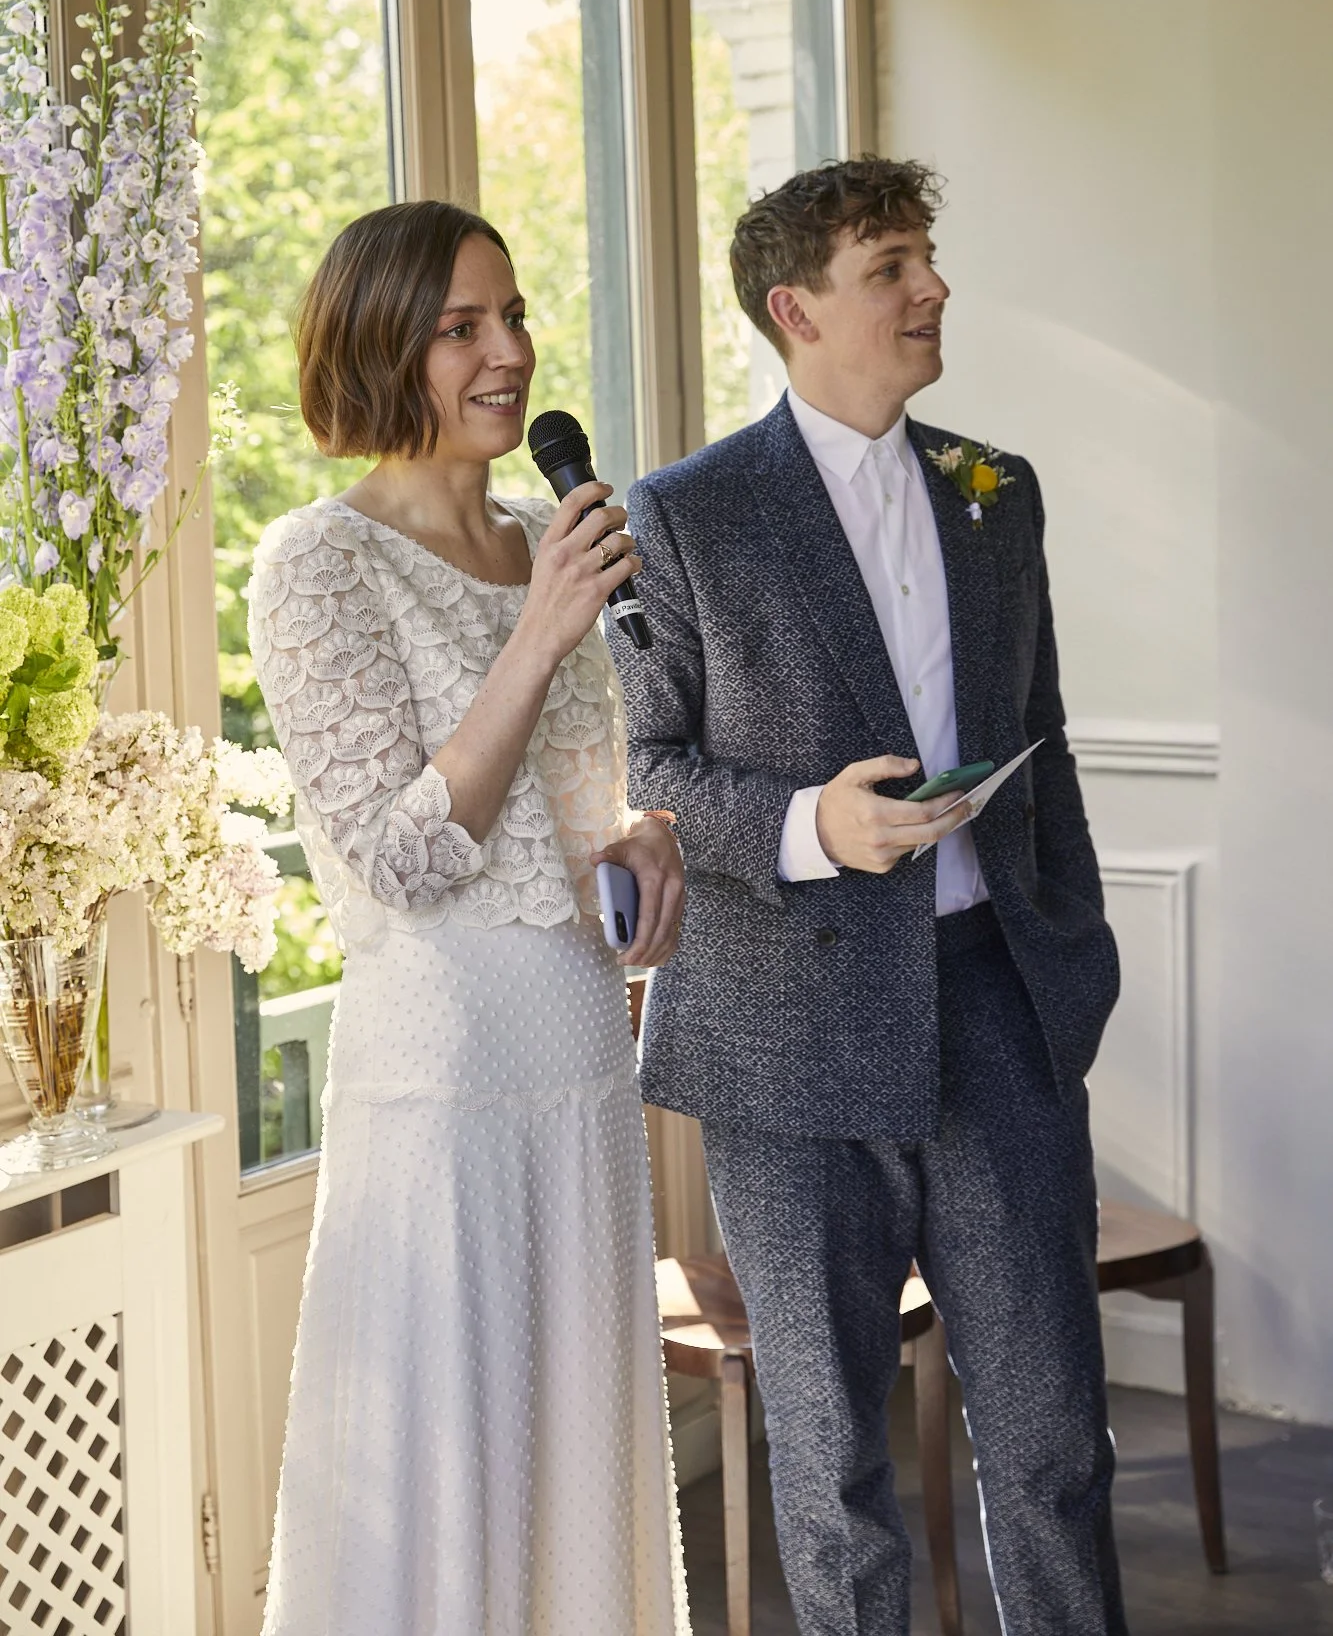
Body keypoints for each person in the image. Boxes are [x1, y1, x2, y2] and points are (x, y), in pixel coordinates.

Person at [617, 157, 1128, 1634]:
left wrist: (1070, 965)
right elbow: (654, 766)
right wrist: (810, 826)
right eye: (892, 265)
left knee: (1049, 1444)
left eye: (927, 259)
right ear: (797, 308)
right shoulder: (686, 513)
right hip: (785, 1038)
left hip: (1000, 1012)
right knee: (832, 1465)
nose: (932, 287)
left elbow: (1047, 731)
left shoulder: (995, 490)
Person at [248, 200, 691, 1636]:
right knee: (447, 1478)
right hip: (438, 1087)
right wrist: (544, 630)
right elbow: (402, 857)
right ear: (385, 347)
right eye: (463, 328)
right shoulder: (318, 562)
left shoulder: (540, 539)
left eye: (512, 316)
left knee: (578, 1480)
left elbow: (575, 812)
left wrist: (642, 840)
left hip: (578, 1066)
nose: (509, 351)